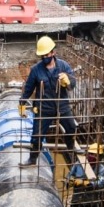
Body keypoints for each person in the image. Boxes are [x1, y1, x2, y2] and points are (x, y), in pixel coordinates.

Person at [18, 36, 77, 167]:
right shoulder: (36, 69)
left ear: (53, 52)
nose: (44, 58)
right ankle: (32, 158)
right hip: (44, 107)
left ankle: (70, 148)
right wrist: (22, 103)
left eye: (47, 55)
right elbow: (28, 88)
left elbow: (73, 84)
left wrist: (68, 81)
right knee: (37, 135)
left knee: (71, 127)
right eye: (42, 56)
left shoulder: (63, 66)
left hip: (62, 104)